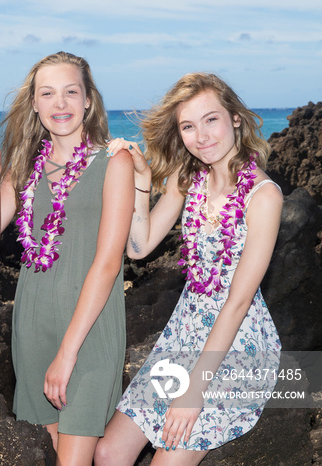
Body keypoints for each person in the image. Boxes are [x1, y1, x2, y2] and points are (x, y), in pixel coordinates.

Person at [94, 73, 282, 465]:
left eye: (211, 119)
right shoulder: (189, 178)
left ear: (234, 118)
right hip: (186, 330)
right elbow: (140, 247)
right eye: (188, 126)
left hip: (237, 343)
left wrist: (195, 390)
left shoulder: (263, 196)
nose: (202, 136)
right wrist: (143, 181)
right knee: (109, 452)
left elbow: (239, 299)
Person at [0, 51, 133, 464]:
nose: (60, 104)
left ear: (88, 100)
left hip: (89, 335)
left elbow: (109, 263)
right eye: (48, 93)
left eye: (70, 92)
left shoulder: (117, 161)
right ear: (35, 104)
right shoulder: (23, 168)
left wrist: (68, 353)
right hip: (34, 327)